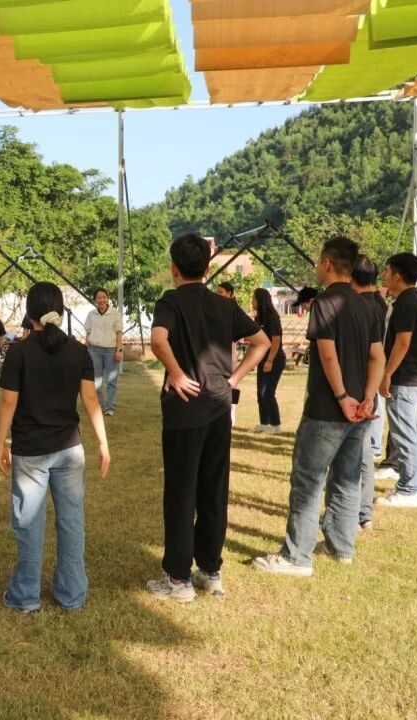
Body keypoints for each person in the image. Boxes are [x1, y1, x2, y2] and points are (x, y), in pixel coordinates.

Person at [253, 236, 384, 576]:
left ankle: (297, 557)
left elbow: (327, 354)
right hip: (359, 411)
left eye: (317, 261)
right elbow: (377, 356)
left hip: (328, 409)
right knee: (346, 479)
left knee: (308, 481)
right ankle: (341, 547)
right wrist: (367, 397)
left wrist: (342, 397)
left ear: (327, 263)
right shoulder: (367, 305)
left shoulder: (326, 302)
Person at [148, 235, 269, 602]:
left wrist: (176, 372)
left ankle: (178, 580)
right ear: (207, 268)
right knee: (214, 489)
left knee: (181, 492)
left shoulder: (170, 301)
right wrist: (234, 379)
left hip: (184, 409)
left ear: (174, 269)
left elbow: (158, 340)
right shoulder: (224, 304)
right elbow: (262, 342)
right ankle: (210, 571)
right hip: (219, 407)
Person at [0, 281, 110, 612]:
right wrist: (102, 443)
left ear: (29, 313)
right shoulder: (78, 351)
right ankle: (71, 594)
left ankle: (25, 596)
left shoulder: (18, 352)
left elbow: (8, 402)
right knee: (72, 521)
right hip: (70, 450)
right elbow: (91, 400)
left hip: (30, 450)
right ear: (60, 310)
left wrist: (0, 441)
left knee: (29, 525)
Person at [375, 252, 417, 509]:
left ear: (397, 276)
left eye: (387, 270)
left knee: (405, 436)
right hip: (413, 378)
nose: (384, 275)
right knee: (409, 434)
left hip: (405, 379)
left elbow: (403, 342)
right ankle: (416, 484)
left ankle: (409, 490)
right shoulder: (414, 301)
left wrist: (387, 373)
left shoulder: (407, 304)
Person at [350, 255, 387, 530]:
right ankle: (362, 512)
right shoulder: (379, 304)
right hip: (368, 388)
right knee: (361, 453)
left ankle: (359, 512)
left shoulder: (359, 307)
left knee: (357, 455)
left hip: (359, 388)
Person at [84, 288, 123, 417]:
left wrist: (119, 350)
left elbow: (119, 333)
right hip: (94, 350)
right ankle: (100, 405)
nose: (102, 300)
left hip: (111, 350)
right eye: (99, 298)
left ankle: (110, 407)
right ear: (95, 300)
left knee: (111, 380)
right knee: (96, 382)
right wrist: (85, 348)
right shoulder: (91, 315)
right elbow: (88, 333)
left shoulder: (115, 313)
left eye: (104, 297)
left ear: (108, 298)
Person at [252, 288, 286, 434]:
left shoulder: (272, 317)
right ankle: (264, 423)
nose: (252, 301)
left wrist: (270, 361)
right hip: (262, 358)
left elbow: (276, 340)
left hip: (275, 358)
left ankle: (276, 425)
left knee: (268, 392)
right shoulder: (258, 318)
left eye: (253, 298)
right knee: (260, 393)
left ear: (260, 300)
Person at [216, 282, 239, 425]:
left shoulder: (234, 311)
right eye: (217, 292)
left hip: (229, 353)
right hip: (216, 353)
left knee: (232, 382)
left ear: (230, 294)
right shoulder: (214, 309)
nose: (217, 295)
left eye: (221, 292)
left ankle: (232, 410)